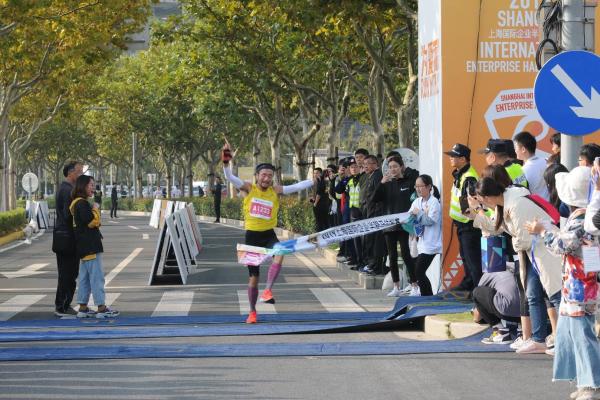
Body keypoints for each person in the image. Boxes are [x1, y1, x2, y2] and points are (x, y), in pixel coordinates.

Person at [524, 166, 600, 399]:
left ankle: (591, 384)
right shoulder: (585, 216)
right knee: (572, 334)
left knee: (582, 336)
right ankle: (584, 381)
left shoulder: (583, 219)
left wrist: (542, 232)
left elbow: (562, 245)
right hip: (578, 284)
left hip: (581, 287)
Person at [221, 142, 314, 324]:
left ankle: (268, 291)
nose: (266, 178)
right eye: (263, 175)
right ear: (257, 176)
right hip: (252, 237)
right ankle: (252, 312)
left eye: (270, 176)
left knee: (280, 251)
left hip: (269, 234)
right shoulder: (249, 188)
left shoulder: (275, 190)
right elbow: (229, 177)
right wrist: (226, 161)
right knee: (253, 278)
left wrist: (314, 180)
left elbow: (296, 187)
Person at [475, 177, 562, 354]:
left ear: (488, 197)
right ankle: (539, 340)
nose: (483, 204)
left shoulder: (516, 204)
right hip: (532, 255)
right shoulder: (504, 203)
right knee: (533, 296)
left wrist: (515, 241)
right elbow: (496, 227)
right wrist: (476, 213)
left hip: (545, 252)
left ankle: (564, 340)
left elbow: (523, 240)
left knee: (554, 296)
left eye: (482, 201)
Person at [69, 175, 119, 319]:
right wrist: (96, 209)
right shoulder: (82, 204)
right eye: (91, 185)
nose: (93, 188)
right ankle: (101, 308)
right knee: (97, 278)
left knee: (84, 278)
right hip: (90, 245)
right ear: (83, 186)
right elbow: (92, 222)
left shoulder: (77, 203)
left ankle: (83, 308)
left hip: (83, 246)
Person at [374, 155, 418, 296]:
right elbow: (374, 199)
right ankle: (396, 287)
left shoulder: (409, 182)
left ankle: (414, 285)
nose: (393, 169)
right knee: (392, 256)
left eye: (395, 166)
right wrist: (382, 183)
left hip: (404, 225)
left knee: (406, 254)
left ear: (401, 167)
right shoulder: (386, 184)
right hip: (389, 225)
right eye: (390, 167)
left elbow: (415, 199)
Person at [444, 143, 482, 292]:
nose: (450, 158)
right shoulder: (460, 174)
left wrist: (466, 215)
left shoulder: (469, 177)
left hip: (469, 225)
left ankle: (477, 291)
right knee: (466, 257)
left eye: (454, 156)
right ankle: (469, 283)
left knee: (473, 260)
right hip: (462, 224)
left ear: (463, 159)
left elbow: (470, 203)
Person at [51, 160, 83, 317]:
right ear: (71, 173)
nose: (81, 175)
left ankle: (63, 304)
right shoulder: (67, 190)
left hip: (66, 237)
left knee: (70, 273)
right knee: (67, 273)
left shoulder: (67, 188)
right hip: (67, 238)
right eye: (79, 172)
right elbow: (67, 215)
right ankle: (62, 306)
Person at [408, 174, 442, 296]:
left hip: (432, 244)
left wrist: (419, 213)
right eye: (416, 186)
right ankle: (426, 296)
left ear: (428, 187)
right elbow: (409, 218)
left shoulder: (434, 202)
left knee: (419, 271)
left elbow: (430, 221)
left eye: (420, 186)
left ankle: (427, 296)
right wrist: (410, 217)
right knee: (418, 272)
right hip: (420, 242)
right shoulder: (416, 201)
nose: (418, 189)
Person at [473, 270, 522, 344]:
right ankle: (523, 330)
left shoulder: (488, 274)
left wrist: (476, 314)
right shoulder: (516, 267)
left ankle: (500, 332)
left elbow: (477, 317)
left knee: (477, 292)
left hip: (507, 310)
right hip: (526, 313)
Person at [361, 155, 385, 275]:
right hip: (370, 212)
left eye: (368, 164)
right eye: (364, 164)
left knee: (376, 242)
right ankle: (371, 264)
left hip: (376, 213)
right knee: (370, 240)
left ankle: (376, 266)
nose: (365, 166)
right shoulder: (370, 176)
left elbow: (378, 195)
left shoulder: (377, 175)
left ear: (375, 164)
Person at [513, 131, 549, 200]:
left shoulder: (522, 171)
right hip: (549, 204)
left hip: (535, 204)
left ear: (523, 149)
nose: (515, 150)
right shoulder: (546, 161)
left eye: (515, 147)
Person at [310, 168, 330, 232]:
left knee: (320, 223)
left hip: (321, 205)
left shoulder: (321, 181)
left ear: (321, 174)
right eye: (314, 173)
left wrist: (315, 203)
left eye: (317, 173)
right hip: (324, 204)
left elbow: (319, 194)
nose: (315, 174)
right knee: (324, 222)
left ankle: (320, 235)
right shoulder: (320, 181)